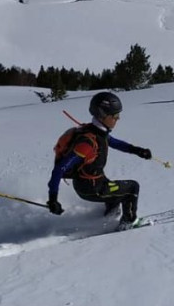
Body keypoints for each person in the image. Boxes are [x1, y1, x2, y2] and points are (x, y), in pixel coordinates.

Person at [46, 92, 152, 226]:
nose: (118, 119)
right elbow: (59, 169)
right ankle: (129, 222)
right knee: (132, 188)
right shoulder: (88, 143)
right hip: (92, 189)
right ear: (102, 115)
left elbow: (115, 142)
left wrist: (138, 151)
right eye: (115, 116)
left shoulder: (97, 132)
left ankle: (107, 221)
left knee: (116, 195)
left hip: (96, 182)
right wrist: (53, 199)